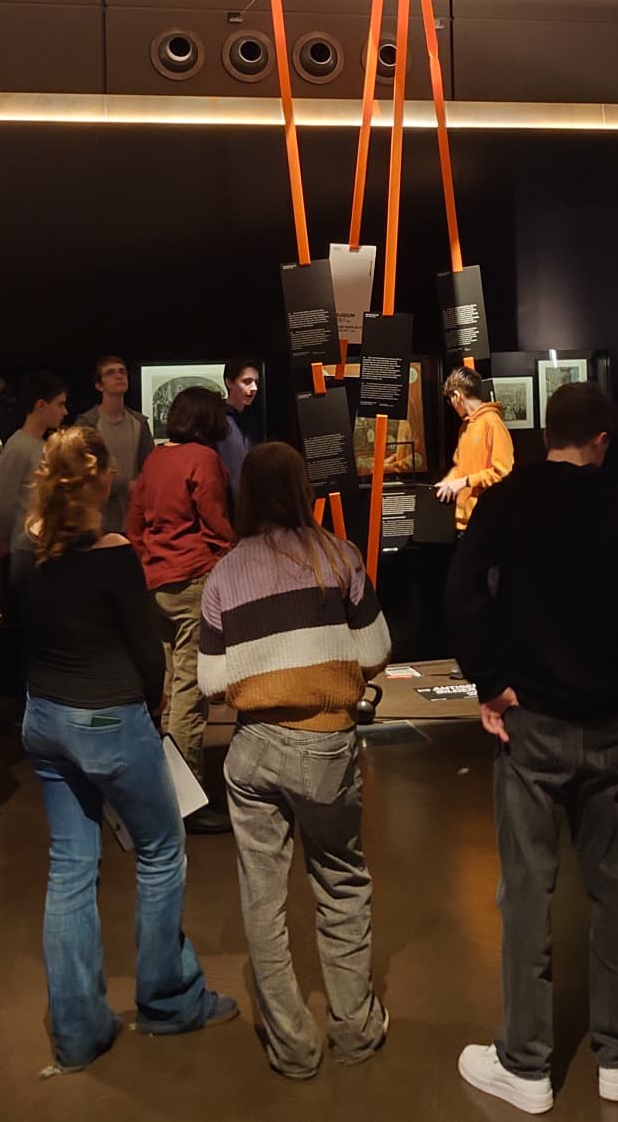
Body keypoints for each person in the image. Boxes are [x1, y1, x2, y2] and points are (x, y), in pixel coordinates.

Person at [447, 383, 618, 1111]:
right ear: (602, 439)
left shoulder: (508, 499)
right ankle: (617, 1058)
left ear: (546, 432)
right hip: (611, 725)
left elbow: (462, 592)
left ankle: (526, 1066)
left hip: (531, 727)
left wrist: (490, 681)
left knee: (527, 893)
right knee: (616, 894)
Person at [21, 425, 236, 1072]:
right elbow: (147, 653)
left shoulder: (29, 550)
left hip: (44, 718)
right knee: (162, 851)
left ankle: (78, 1032)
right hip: (110, 719)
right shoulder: (114, 555)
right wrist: (152, 705)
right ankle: (169, 1002)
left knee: (69, 867)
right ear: (98, 479)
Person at [197, 441, 392, 1080]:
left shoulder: (224, 575)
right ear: (303, 489)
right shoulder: (339, 557)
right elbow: (377, 650)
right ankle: (355, 1029)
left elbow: (211, 681)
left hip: (253, 749)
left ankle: (293, 1047)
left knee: (263, 896)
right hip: (328, 745)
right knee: (341, 881)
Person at [128, 387, 236, 833]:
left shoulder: (155, 459)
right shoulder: (203, 459)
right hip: (193, 580)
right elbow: (215, 520)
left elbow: (134, 523)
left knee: (172, 689)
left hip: (157, 583)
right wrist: (228, 554)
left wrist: (149, 562)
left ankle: (166, 793)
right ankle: (187, 803)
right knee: (190, 694)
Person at [0, 371, 67, 616]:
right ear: (41, 405)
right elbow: (3, 505)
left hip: (41, 548)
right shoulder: (18, 446)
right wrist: (10, 540)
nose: (64, 412)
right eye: (60, 405)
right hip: (26, 549)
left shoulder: (41, 446)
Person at [75, 354, 154, 534]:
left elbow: (150, 465)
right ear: (99, 385)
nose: (119, 376)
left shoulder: (139, 422)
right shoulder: (88, 423)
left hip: (133, 518)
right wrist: (124, 486)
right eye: (110, 373)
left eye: (122, 372)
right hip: (98, 520)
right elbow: (84, 471)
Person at [434, 366, 514, 532]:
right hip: (464, 522)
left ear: (457, 396)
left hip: (486, 522)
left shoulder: (492, 423)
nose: (452, 405)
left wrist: (465, 482)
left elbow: (503, 472)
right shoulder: (465, 427)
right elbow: (460, 466)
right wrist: (448, 482)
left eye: (450, 400)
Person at [216, 356, 262, 499]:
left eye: (256, 382)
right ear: (229, 382)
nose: (254, 388)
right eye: (247, 381)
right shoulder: (217, 418)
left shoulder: (251, 417)